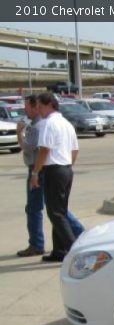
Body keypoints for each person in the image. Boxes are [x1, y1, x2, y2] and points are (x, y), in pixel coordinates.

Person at [16, 95, 83, 257]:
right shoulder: (66, 123)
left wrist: (35, 173)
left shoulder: (46, 124)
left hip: (52, 169)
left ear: (49, 105)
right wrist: (67, 167)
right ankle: (59, 251)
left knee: (55, 213)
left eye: (39, 106)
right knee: (59, 210)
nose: (37, 110)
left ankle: (76, 251)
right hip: (66, 169)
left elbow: (44, 150)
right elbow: (75, 150)